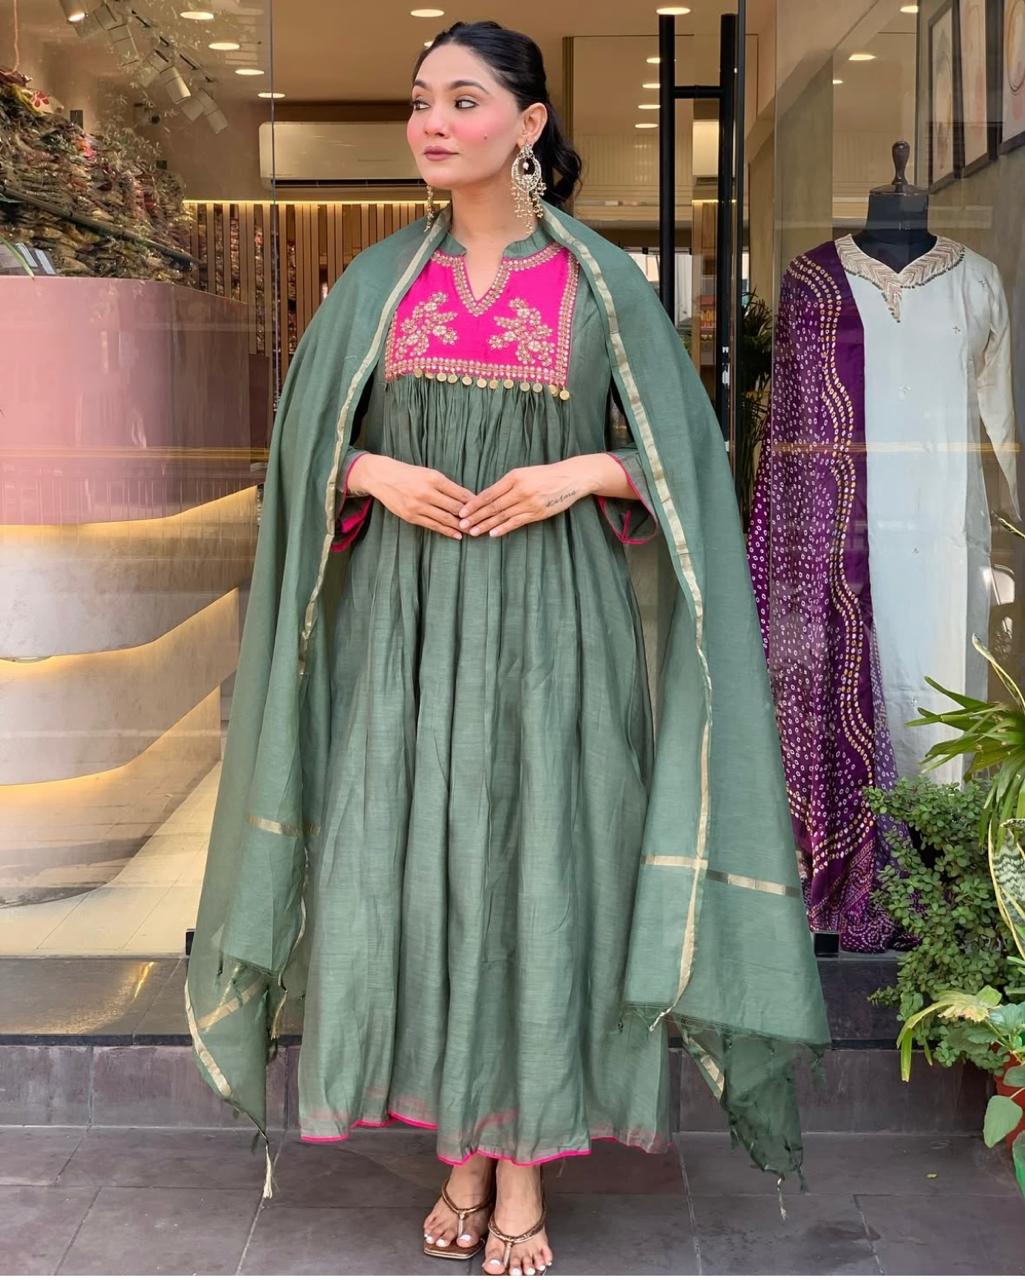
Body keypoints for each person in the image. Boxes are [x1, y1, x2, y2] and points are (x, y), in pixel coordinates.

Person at [185, 20, 831, 1279]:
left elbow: (690, 464)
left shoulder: (602, 285)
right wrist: (369, 469)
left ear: (528, 124)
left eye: (462, 99)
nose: (431, 121)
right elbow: (300, 446)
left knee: (541, 874)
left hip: (555, 633)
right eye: (418, 99)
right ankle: (462, 1150)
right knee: (417, 872)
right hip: (405, 635)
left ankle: (519, 1160)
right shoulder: (377, 283)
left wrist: (582, 469)